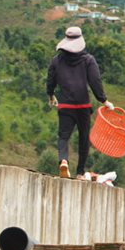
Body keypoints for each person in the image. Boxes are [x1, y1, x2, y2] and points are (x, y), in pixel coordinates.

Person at [46, 26, 112, 179]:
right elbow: (95, 81)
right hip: (82, 105)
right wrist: (104, 100)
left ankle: (63, 160)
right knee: (83, 138)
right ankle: (80, 173)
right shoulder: (88, 60)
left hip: (65, 105)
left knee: (63, 136)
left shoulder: (56, 60)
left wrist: (51, 96)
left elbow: (50, 80)